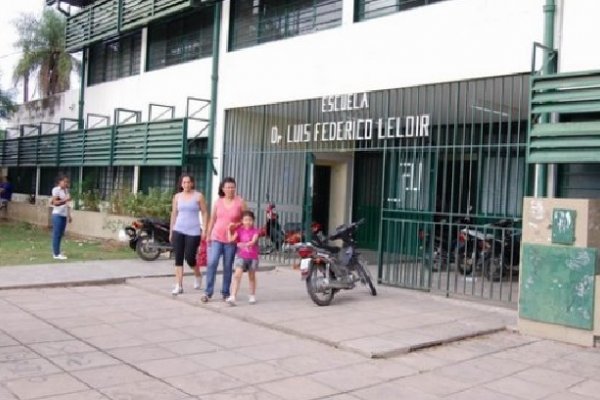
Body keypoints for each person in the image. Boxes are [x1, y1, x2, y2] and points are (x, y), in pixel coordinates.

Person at [201, 177, 246, 303]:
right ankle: (208, 292)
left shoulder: (240, 202)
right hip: (217, 237)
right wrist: (208, 234)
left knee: (227, 266)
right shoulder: (218, 202)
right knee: (212, 262)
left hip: (231, 240)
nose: (230, 189)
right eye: (228, 187)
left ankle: (225, 292)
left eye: (233, 187)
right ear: (223, 189)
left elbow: (247, 219)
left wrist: (236, 226)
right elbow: (213, 219)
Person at [169, 174, 209, 295]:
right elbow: (174, 214)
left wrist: (205, 229)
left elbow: (205, 213)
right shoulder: (177, 197)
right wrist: (171, 230)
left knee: (190, 257)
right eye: (184, 182)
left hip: (193, 231)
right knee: (178, 258)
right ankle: (179, 285)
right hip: (178, 230)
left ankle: (197, 275)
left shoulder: (198, 196)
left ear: (192, 183)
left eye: (188, 182)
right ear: (181, 184)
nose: (186, 184)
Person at [226, 210, 260, 306]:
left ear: (253, 221)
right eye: (245, 220)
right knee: (237, 275)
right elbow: (230, 240)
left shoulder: (255, 231)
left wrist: (246, 244)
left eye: (250, 220)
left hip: (252, 257)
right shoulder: (239, 230)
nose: (248, 222)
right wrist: (228, 229)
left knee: (251, 276)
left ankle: (252, 295)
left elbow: (253, 240)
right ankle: (233, 296)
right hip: (241, 256)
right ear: (242, 221)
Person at [51, 175, 72, 260]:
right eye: (64, 181)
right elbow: (55, 202)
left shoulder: (66, 191)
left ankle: (58, 251)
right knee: (56, 234)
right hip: (57, 214)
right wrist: (65, 200)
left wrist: (69, 215)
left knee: (60, 234)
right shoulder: (56, 190)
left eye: (67, 182)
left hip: (63, 214)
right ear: (60, 182)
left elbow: (68, 204)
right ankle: (56, 254)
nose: (66, 183)